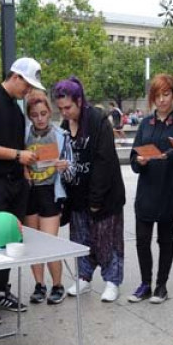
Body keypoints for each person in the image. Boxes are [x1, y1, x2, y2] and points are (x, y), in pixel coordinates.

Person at [0, 57, 44, 323]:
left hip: (15, 183)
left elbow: (18, 149)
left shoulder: (15, 110)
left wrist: (24, 168)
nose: (28, 92)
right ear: (16, 77)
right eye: (26, 85)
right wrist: (17, 156)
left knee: (12, 240)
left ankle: (1, 289)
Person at [53, 77, 125, 302]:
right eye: (61, 108)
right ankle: (83, 277)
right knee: (80, 238)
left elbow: (105, 162)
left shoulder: (97, 120)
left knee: (107, 240)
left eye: (68, 107)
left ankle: (112, 281)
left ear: (79, 101)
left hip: (104, 196)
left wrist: (96, 199)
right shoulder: (65, 126)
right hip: (77, 195)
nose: (64, 112)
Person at [127, 74, 173, 304]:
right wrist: (140, 161)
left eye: (166, 94)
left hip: (170, 189)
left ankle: (161, 286)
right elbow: (134, 158)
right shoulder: (146, 123)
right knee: (142, 239)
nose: (162, 100)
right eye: (158, 95)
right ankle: (145, 283)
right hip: (147, 189)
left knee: (165, 240)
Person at [23, 89, 75, 305]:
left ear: (50, 112)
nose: (40, 118)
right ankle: (39, 284)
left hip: (51, 192)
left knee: (49, 242)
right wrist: (24, 170)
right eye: (35, 115)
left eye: (43, 113)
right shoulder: (24, 134)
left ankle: (57, 284)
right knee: (32, 242)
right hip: (30, 191)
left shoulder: (60, 135)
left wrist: (64, 167)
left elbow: (72, 171)